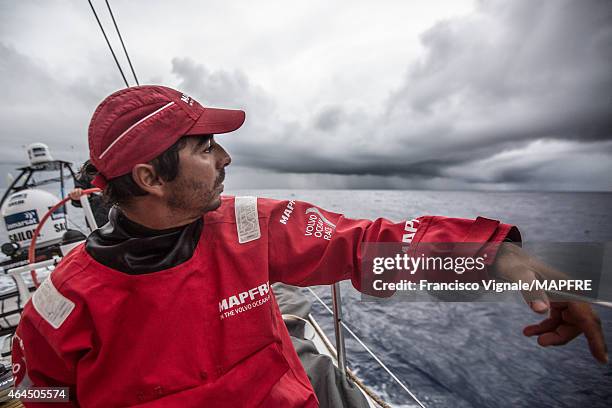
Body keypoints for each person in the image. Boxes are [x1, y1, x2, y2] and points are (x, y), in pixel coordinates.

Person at [11, 86, 607, 407]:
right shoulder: (59, 305)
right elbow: (36, 395)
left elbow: (371, 246)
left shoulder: (250, 227)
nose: (226, 158)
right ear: (149, 178)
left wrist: (516, 265)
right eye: (204, 148)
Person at [68, 160, 111, 228]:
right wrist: (76, 194)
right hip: (98, 223)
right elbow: (78, 197)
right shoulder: (88, 169)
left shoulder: (123, 163)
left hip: (126, 218)